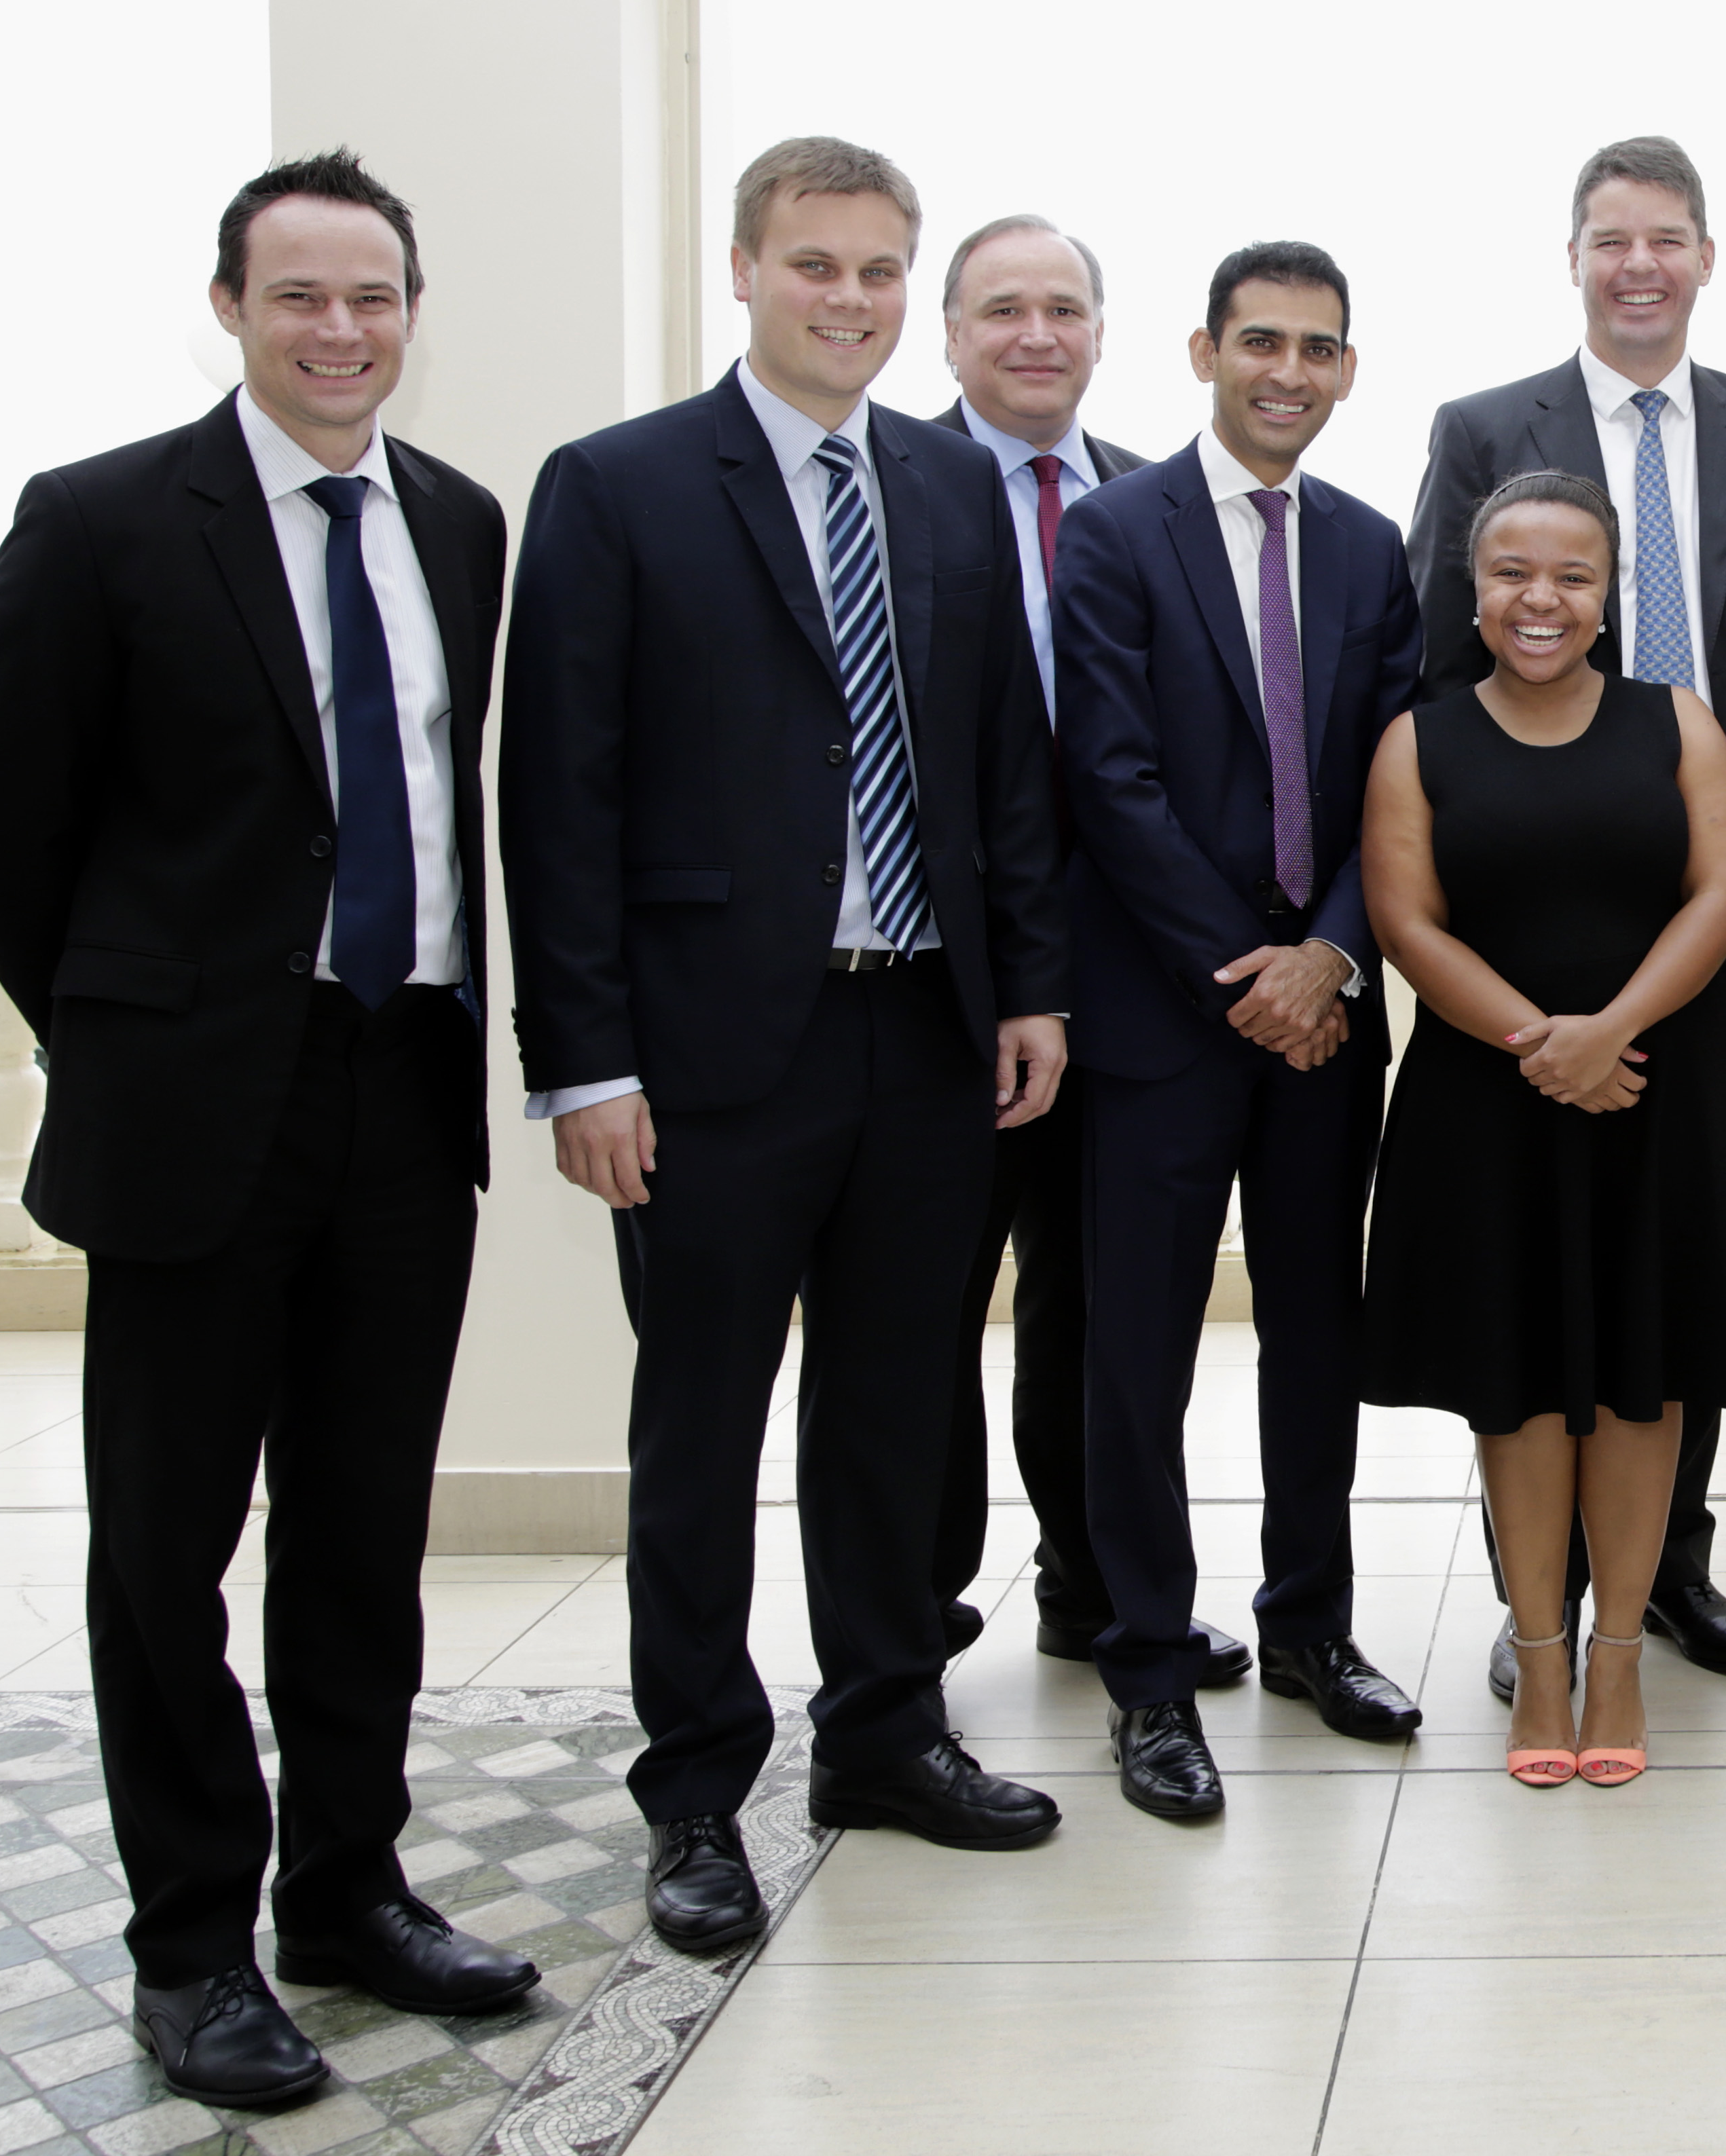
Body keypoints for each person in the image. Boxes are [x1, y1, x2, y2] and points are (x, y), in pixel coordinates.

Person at [0, 149, 536, 2110]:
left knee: (365, 1532)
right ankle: (192, 1946)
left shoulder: (457, 522)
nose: (340, 330)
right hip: (198, 1105)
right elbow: (12, 834)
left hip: (404, 1088)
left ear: (410, 313)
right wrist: (142, 1042)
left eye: (373, 297)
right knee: (166, 1549)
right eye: (300, 295)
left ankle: (348, 1891)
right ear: (231, 306)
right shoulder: (104, 519)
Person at [504, 137, 1075, 1954]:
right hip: (703, 1053)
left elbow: (1001, 765)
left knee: (897, 1412)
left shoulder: (948, 482)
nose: (850, 298)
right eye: (815, 264)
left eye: (879, 269)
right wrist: (584, 1062)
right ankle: (694, 1791)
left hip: (923, 1028)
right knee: (700, 1430)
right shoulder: (617, 486)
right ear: (745, 269)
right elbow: (558, 791)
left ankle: (884, 1735)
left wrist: (1030, 986)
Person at [1410, 136, 1726, 1703]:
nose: (1637, 263)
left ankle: (1667, 1575)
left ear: (1705, 257)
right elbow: (1439, 659)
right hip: (1536, 912)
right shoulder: (1481, 429)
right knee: (1535, 1259)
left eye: (1664, 237)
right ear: (1573, 259)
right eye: (1609, 239)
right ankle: (1542, 1596)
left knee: (1681, 1254)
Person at [1056, 241, 1427, 1820]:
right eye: (1260, 341)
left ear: (1347, 369)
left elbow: (1395, 777)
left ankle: (1309, 1629)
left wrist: (1328, 955)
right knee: (1137, 1349)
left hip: (1324, 1019)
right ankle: (1147, 1668)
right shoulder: (1111, 530)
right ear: (1204, 352)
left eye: (1317, 347)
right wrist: (1249, 974)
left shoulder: (1367, 547)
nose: (1288, 370)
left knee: (1314, 1332)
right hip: (1162, 1015)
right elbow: (1110, 780)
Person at [1361, 471, 1726, 1787]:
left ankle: (1618, 1657)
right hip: (1486, 1108)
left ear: (1610, 596)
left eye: (1571, 575)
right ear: (1473, 590)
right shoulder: (1417, 742)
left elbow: (1724, 891)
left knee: (1639, 1383)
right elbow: (1406, 923)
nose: (1539, 599)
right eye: (1511, 572)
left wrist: (1609, 1031)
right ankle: (1540, 1655)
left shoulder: (1677, 721)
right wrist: (1542, 1045)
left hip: (1659, 1092)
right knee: (1518, 1392)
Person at [914, 213, 1250, 1690]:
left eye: (1063, 308)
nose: (1036, 334)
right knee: (927, 1299)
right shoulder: (895, 485)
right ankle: (914, 1613)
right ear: (951, 334)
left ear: (1104, 335)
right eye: (1003, 309)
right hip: (939, 975)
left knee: (1091, 1301)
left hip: (1116, 979)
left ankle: (1095, 1584)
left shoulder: (1145, 503)